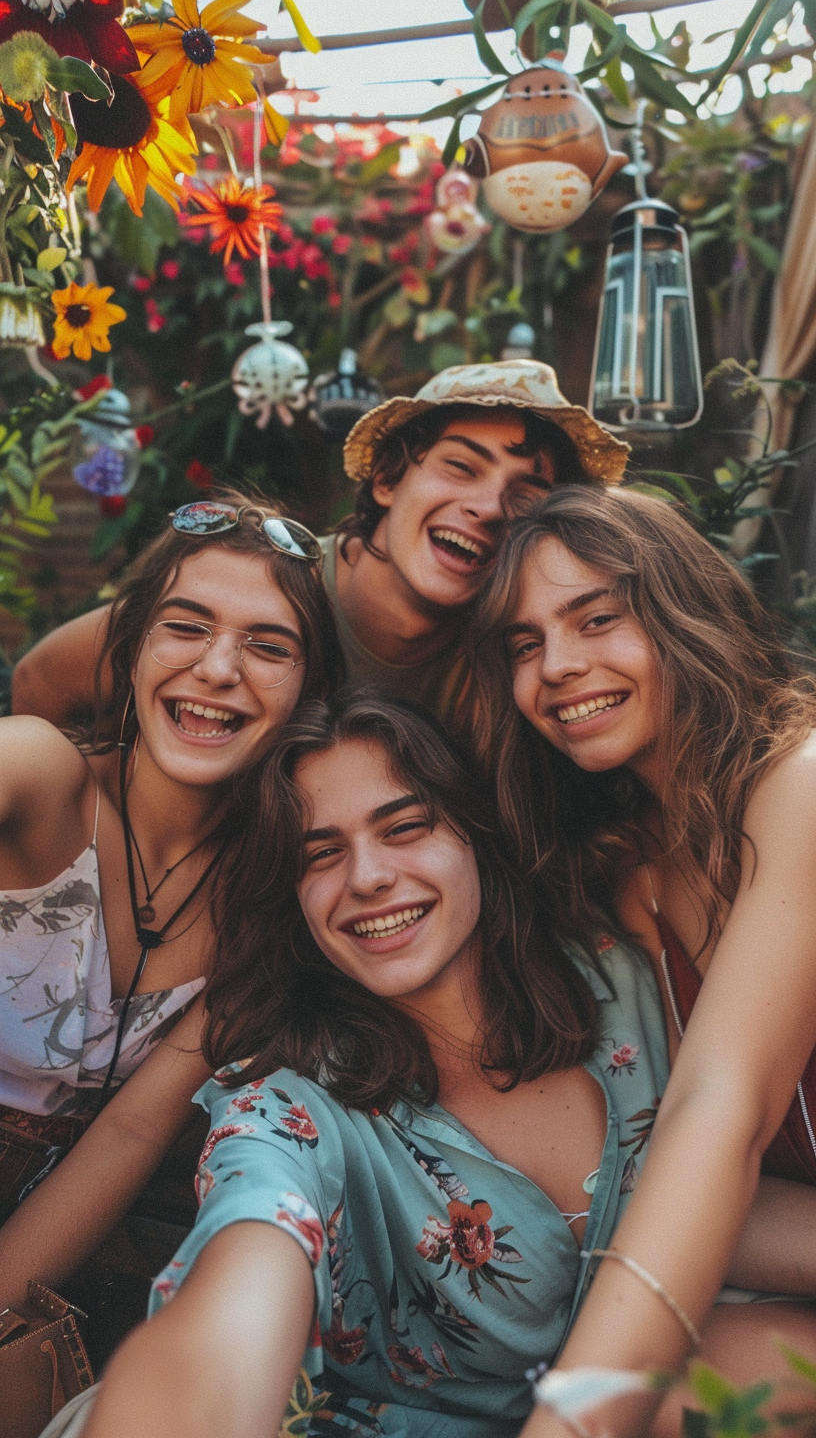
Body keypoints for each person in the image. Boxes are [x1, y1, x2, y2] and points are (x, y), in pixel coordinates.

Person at [38, 687, 671, 1438]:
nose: (367, 876)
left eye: (403, 827)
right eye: (322, 855)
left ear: (476, 832)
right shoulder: (291, 1104)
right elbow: (253, 1244)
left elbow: (689, 1187)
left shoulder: (617, 977)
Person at [468, 485, 816, 1437]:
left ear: (681, 614)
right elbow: (692, 1177)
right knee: (685, 1398)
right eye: (524, 644)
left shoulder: (802, 785)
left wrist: (576, 1417)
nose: (558, 667)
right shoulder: (640, 882)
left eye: (597, 619)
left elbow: (724, 1112)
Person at [0, 489, 343, 1360]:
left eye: (269, 646)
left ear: (308, 691)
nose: (219, 668)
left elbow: (130, 1130)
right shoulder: (39, 776)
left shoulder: (267, 906)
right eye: (186, 626)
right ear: (135, 649)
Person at [11, 361, 628, 729]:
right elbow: (43, 680)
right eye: (461, 467)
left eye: (526, 494)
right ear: (387, 479)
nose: (489, 507)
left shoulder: (527, 650)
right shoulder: (271, 583)